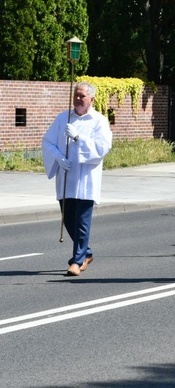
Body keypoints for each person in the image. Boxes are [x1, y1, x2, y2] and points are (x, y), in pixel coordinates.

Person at [42, 82, 113, 277]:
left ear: (92, 99)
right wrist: (57, 156)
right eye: (76, 95)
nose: (78, 99)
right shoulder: (63, 118)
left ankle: (76, 261)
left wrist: (79, 138)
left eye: (82, 96)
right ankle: (87, 253)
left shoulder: (99, 121)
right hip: (66, 177)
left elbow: (102, 148)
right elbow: (47, 141)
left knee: (82, 222)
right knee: (69, 221)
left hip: (85, 179)